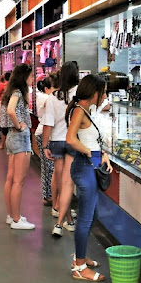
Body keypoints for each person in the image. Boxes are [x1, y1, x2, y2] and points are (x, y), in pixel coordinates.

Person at [64, 74, 112, 282]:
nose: (104, 97)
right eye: (103, 92)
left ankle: (81, 257)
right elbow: (70, 139)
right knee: (84, 218)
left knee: (90, 216)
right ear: (95, 93)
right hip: (85, 167)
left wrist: (102, 154)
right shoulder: (79, 111)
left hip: (89, 164)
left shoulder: (85, 110)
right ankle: (80, 266)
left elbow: (91, 139)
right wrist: (88, 153)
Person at [43, 61, 80, 237]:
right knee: (68, 183)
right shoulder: (81, 95)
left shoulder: (53, 96)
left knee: (59, 179)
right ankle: (67, 220)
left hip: (57, 141)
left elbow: (47, 124)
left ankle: (61, 212)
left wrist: (44, 145)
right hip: (73, 142)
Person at [0, 63, 34, 230]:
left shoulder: (10, 92)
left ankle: (11, 215)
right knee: (19, 181)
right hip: (19, 136)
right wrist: (20, 125)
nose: (33, 79)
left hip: (12, 137)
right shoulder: (18, 93)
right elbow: (12, 111)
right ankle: (17, 219)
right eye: (31, 76)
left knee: (11, 179)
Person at [35, 75, 55, 207]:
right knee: (49, 167)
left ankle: (48, 195)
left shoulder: (45, 96)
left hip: (43, 132)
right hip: (44, 133)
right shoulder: (45, 97)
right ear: (47, 88)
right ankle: (49, 196)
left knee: (47, 167)